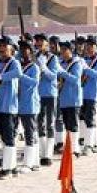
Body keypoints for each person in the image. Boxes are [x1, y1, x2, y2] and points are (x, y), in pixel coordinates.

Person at [0, 36, 22, 179]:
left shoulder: (14, 63)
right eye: (0, 46)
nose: (2, 49)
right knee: (4, 138)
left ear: (11, 49)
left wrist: (0, 77)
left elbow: (18, 74)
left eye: (5, 46)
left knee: (9, 138)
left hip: (9, 106)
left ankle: (8, 169)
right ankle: (12, 165)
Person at [34, 34, 59, 166]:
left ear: (46, 43)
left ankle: (48, 154)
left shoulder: (53, 58)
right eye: (36, 41)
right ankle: (42, 153)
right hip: (38, 94)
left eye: (41, 41)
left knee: (50, 124)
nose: (38, 43)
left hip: (50, 93)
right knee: (40, 124)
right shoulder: (34, 57)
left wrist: (44, 67)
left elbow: (53, 76)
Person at [16, 40, 41, 173]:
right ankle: (35, 161)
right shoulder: (20, 64)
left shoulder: (33, 67)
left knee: (30, 133)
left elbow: (34, 82)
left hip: (30, 104)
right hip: (20, 103)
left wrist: (21, 75)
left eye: (26, 49)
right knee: (31, 132)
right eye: (21, 49)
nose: (23, 51)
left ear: (31, 52)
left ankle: (28, 163)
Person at [56, 41, 83, 156]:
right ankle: (69, 146)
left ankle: (75, 148)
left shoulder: (76, 64)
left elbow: (75, 79)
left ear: (70, 51)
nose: (62, 52)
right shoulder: (61, 63)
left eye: (64, 49)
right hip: (64, 99)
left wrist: (62, 72)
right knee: (67, 125)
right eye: (61, 50)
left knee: (73, 124)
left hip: (73, 99)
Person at [79, 37, 97, 154]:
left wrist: (85, 68)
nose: (89, 48)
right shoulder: (84, 59)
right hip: (82, 93)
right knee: (83, 118)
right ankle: (93, 142)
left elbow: (96, 75)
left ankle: (89, 145)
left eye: (92, 46)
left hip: (93, 94)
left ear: (96, 48)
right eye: (87, 46)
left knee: (90, 119)